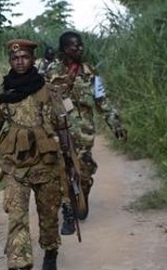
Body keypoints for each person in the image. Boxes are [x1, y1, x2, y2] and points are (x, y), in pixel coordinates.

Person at [0, 39, 71, 270]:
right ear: (10, 61)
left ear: (32, 59)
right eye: (15, 58)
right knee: (16, 220)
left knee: (49, 216)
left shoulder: (47, 90)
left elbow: (62, 126)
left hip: (47, 165)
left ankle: (50, 255)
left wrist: (69, 160)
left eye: (25, 57)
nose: (20, 62)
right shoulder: (3, 94)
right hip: (16, 168)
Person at [44, 31, 128, 234]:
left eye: (80, 45)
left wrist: (115, 125)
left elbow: (102, 101)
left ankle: (82, 194)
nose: (79, 49)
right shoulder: (51, 71)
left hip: (83, 131)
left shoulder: (90, 73)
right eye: (74, 46)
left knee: (84, 170)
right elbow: (42, 101)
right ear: (64, 49)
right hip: (58, 131)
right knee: (60, 171)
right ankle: (67, 214)